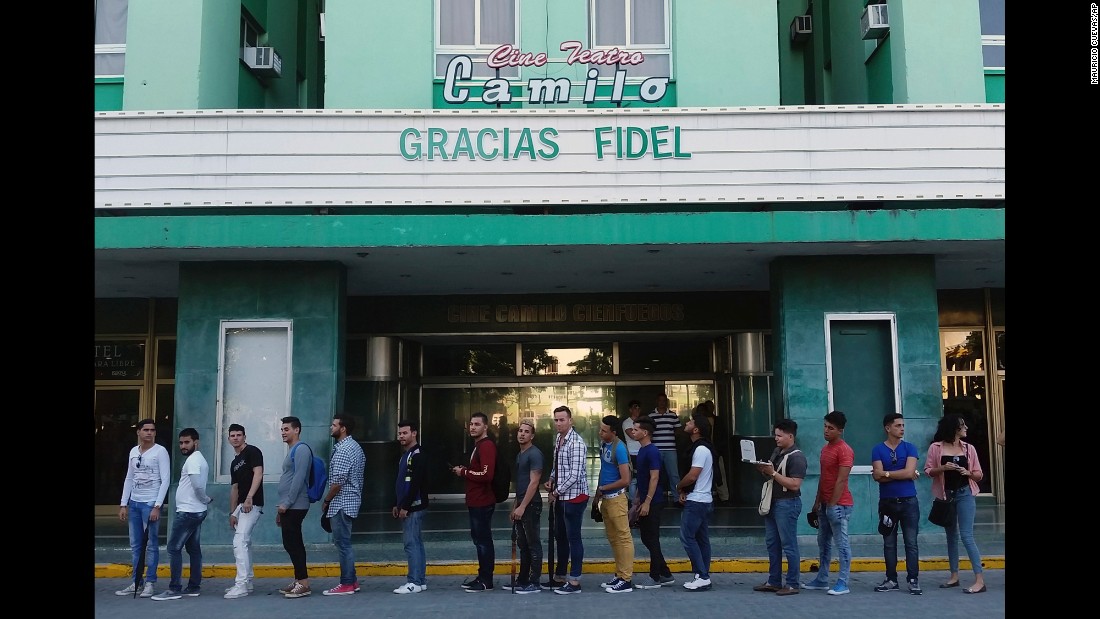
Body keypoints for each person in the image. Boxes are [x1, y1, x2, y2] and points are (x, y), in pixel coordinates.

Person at [924, 414, 987, 594]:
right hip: (946, 495)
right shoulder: (936, 448)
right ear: (953, 429)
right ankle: (954, 576)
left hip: (965, 493)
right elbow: (928, 471)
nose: (966, 427)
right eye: (962, 425)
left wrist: (967, 472)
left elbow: (979, 475)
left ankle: (979, 579)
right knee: (951, 536)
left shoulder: (969, 449)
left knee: (966, 536)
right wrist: (943, 468)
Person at [151, 428, 214, 600]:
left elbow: (197, 486)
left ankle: (174, 589)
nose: (183, 446)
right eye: (181, 442)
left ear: (196, 442)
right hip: (194, 511)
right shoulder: (198, 459)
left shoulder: (193, 461)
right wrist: (204, 501)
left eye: (187, 442)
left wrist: (206, 499)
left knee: (173, 548)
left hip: (189, 512)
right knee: (193, 549)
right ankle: (193, 586)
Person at [115, 419, 171, 597]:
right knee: (136, 545)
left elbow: (166, 480)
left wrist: (157, 505)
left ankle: (150, 582)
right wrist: (124, 503)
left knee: (152, 544)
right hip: (135, 503)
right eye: (145, 430)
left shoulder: (160, 451)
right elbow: (129, 478)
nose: (149, 433)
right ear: (138, 432)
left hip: (150, 503)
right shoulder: (133, 451)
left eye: (152, 430)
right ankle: (136, 581)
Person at [802, 410, 855, 596]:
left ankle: (843, 582)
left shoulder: (845, 450)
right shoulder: (825, 449)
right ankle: (822, 578)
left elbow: (841, 480)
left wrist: (832, 505)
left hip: (840, 505)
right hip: (825, 503)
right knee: (823, 542)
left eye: (830, 428)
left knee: (842, 544)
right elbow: (824, 478)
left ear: (840, 430)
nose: (826, 431)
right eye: (825, 426)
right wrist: (817, 502)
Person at [752, 419, 806, 596]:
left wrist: (773, 473)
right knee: (772, 543)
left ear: (790, 436)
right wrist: (763, 469)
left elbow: (795, 484)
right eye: (775, 435)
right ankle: (774, 581)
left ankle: (792, 583)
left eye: (779, 435)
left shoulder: (797, 457)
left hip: (787, 503)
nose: (776, 438)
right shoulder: (777, 451)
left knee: (789, 545)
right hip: (773, 503)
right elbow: (772, 474)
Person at [871, 413, 922, 595]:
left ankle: (913, 579)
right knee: (889, 543)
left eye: (903, 425)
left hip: (909, 501)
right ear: (888, 428)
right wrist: (889, 474)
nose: (902, 429)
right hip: (887, 503)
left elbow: (909, 473)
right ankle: (891, 579)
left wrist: (886, 474)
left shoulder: (910, 448)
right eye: (898, 425)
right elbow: (877, 475)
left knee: (911, 542)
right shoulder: (877, 449)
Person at [543, 405, 589, 594]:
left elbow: (575, 475)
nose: (559, 423)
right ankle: (560, 576)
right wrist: (552, 479)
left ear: (571, 421)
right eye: (556, 420)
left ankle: (575, 581)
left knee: (573, 538)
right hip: (563, 496)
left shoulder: (576, 443)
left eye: (562, 419)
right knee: (560, 537)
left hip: (575, 497)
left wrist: (556, 492)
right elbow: (559, 465)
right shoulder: (559, 439)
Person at [450, 412, 497, 592]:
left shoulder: (486, 446)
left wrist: (464, 473)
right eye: (471, 424)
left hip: (482, 501)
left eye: (477, 424)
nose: (472, 427)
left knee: (483, 541)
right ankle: (482, 575)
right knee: (479, 540)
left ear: (485, 427)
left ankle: (486, 579)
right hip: (475, 500)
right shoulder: (478, 446)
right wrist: (467, 470)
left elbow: (486, 474)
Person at [321, 413, 367, 596]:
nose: (331, 428)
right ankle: (352, 580)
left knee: (343, 544)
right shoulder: (355, 447)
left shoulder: (343, 450)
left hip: (341, 503)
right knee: (345, 543)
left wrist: (326, 500)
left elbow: (338, 482)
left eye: (334, 425)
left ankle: (347, 583)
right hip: (351, 501)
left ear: (343, 428)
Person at [629, 416, 674, 589]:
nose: (633, 432)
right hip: (644, 501)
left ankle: (655, 577)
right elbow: (642, 479)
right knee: (647, 538)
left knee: (652, 538)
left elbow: (654, 477)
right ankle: (665, 573)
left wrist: (647, 501)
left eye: (635, 429)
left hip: (653, 502)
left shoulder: (653, 451)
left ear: (645, 432)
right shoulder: (641, 451)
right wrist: (637, 501)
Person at [595, 415, 635, 593]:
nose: (600, 433)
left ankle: (626, 579)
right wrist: (598, 494)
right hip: (606, 499)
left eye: (604, 431)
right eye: (600, 429)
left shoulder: (619, 448)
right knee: (614, 539)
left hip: (617, 498)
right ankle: (619, 574)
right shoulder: (605, 445)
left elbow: (625, 479)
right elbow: (604, 469)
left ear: (614, 432)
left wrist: (604, 488)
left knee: (623, 538)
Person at [224, 423, 264, 599]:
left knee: (239, 542)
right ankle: (246, 582)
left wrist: (249, 498)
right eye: (233, 435)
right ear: (229, 439)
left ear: (244, 437)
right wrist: (233, 512)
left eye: (239, 435)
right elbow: (234, 488)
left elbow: (258, 474)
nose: (236, 438)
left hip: (252, 503)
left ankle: (240, 585)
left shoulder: (253, 452)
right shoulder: (234, 462)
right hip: (241, 506)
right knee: (244, 542)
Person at [676, 412, 715, 592]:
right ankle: (702, 574)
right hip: (703, 499)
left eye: (690, 422)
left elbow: (693, 476)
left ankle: (702, 575)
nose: (687, 422)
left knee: (687, 537)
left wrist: (679, 486)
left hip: (697, 501)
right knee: (701, 539)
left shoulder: (700, 449)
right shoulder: (704, 448)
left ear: (696, 429)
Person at [275, 416, 313, 599]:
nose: (283, 432)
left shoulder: (302, 449)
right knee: (289, 543)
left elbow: (299, 478)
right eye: (282, 429)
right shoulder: (292, 450)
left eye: (286, 429)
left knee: (295, 543)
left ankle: (304, 583)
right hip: (288, 505)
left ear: (296, 430)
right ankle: (299, 579)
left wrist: (287, 503)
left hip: (296, 505)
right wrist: (281, 508)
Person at [393, 419, 430, 594]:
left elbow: (415, 483)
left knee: (411, 544)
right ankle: (420, 580)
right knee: (416, 543)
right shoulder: (406, 455)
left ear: (414, 433)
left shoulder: (418, 455)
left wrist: (405, 506)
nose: (401, 436)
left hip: (414, 507)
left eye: (405, 433)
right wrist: (397, 504)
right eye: (399, 433)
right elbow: (402, 483)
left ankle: (414, 581)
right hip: (408, 505)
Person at [509, 419, 544, 594]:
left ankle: (534, 582)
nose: (522, 434)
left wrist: (522, 506)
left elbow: (533, 482)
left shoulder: (534, 454)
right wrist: (515, 506)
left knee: (533, 544)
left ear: (532, 435)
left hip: (531, 505)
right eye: (520, 431)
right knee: (522, 543)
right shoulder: (520, 454)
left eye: (526, 431)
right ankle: (522, 579)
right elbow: (520, 484)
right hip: (521, 503)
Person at [650, 393, 682, 502]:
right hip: (655, 450)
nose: (662, 403)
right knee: (655, 475)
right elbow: (648, 432)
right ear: (656, 402)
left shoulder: (673, 415)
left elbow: (679, 430)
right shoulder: (651, 416)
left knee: (674, 475)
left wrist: (670, 433)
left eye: (664, 401)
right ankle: (654, 498)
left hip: (670, 450)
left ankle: (677, 498)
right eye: (660, 400)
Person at [620, 400, 642, 502]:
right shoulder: (627, 422)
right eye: (634, 407)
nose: (637, 409)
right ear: (630, 410)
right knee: (633, 479)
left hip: (642, 452)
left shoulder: (641, 422)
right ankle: (633, 502)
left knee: (643, 477)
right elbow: (633, 436)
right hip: (632, 453)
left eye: (638, 407)